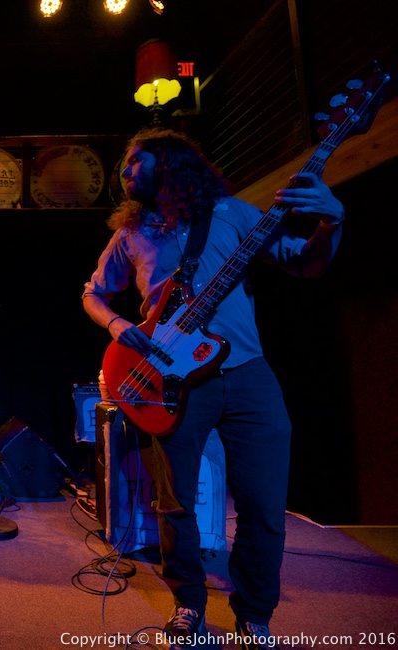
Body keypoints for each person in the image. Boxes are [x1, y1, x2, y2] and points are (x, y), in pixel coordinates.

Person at [81, 128, 344, 650]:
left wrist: (331, 222)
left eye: (135, 161)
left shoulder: (234, 214)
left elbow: (305, 263)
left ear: (172, 162)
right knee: (176, 502)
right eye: (123, 166)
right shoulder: (132, 234)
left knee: (264, 505)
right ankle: (188, 605)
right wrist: (115, 326)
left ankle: (254, 614)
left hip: (247, 373)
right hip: (169, 381)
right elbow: (93, 293)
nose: (125, 172)